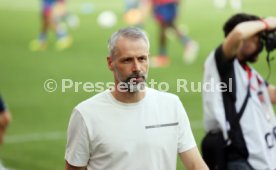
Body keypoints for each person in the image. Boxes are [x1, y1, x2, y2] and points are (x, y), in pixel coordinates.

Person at [65, 27, 208, 170]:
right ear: (110, 63)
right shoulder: (85, 114)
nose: (137, 68)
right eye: (127, 60)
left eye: (142, 59)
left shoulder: (171, 105)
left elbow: (195, 165)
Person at [202, 13, 276, 170]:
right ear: (243, 41)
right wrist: (266, 23)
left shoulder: (249, 72)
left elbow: (273, 95)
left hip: (260, 159)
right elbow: (238, 33)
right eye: (257, 37)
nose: (262, 43)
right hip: (240, 159)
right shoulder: (222, 65)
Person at [149, 0, 199, 67]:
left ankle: (163, 57)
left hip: (165, 3)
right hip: (163, 3)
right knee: (169, 26)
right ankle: (188, 43)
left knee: (163, 28)